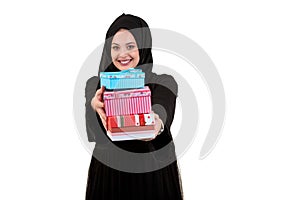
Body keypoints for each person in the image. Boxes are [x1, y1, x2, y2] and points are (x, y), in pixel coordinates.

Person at [85, 13, 184, 200]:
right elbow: (95, 134)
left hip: (152, 176)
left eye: (130, 46)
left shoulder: (162, 82)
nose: (122, 54)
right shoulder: (96, 86)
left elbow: (163, 106)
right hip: (109, 176)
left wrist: (155, 122)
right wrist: (94, 105)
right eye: (115, 47)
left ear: (143, 47)